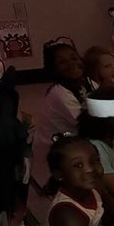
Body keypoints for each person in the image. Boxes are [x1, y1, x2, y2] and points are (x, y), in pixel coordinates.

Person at [31, 38, 87, 187]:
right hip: (54, 159)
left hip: (71, 143)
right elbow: (89, 124)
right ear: (53, 69)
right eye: (62, 62)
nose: (71, 64)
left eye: (74, 58)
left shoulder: (84, 83)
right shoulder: (60, 94)